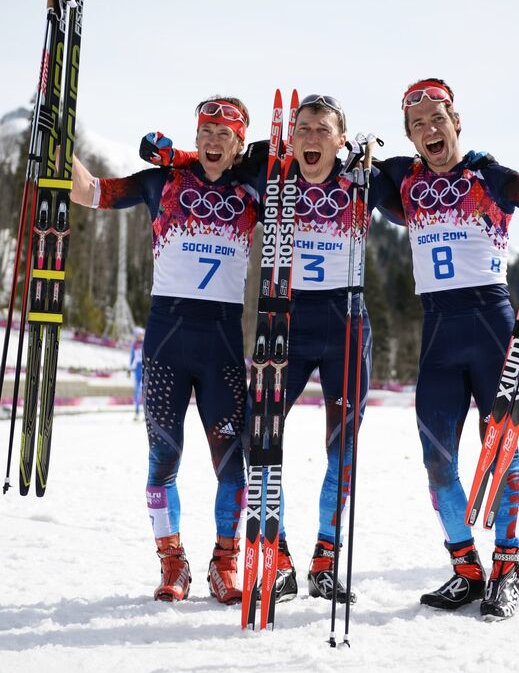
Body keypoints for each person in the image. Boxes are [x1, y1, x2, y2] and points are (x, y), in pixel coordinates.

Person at [143, 94, 402, 604]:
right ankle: (275, 555)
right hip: (282, 319)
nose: (310, 137)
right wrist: (174, 156)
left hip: (346, 324)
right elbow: (221, 160)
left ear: (340, 139)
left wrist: (377, 155)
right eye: (301, 128)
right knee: (260, 443)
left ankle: (325, 559)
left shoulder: (361, 181)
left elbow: (420, 188)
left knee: (341, 449)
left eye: (322, 129)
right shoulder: (269, 173)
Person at [379, 78, 519, 620]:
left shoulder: (489, 175)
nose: (429, 130)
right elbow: (351, 174)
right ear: (411, 138)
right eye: (417, 125)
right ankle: (465, 568)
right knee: (437, 459)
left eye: (438, 118)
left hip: (491, 327)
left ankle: (507, 565)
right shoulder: (405, 183)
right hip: (436, 333)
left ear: (456, 121)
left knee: (501, 452)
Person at [71, 96, 258, 604]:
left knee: (230, 463)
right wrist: (60, 141)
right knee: (162, 458)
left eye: (226, 134)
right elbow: (90, 192)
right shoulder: (163, 182)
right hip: (167, 341)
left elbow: (296, 178)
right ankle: (172, 561)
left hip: (220, 342)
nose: (215, 141)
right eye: (207, 131)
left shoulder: (252, 188)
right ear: (196, 137)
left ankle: (225, 561)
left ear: (239, 144)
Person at [129, 326, 145, 419]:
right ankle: (137, 412)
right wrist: (130, 367)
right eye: (139, 334)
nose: (140, 336)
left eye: (141, 334)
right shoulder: (134, 344)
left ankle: (145, 414)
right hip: (138, 368)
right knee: (137, 391)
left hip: (144, 367)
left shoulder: (145, 343)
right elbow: (132, 356)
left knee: (145, 391)